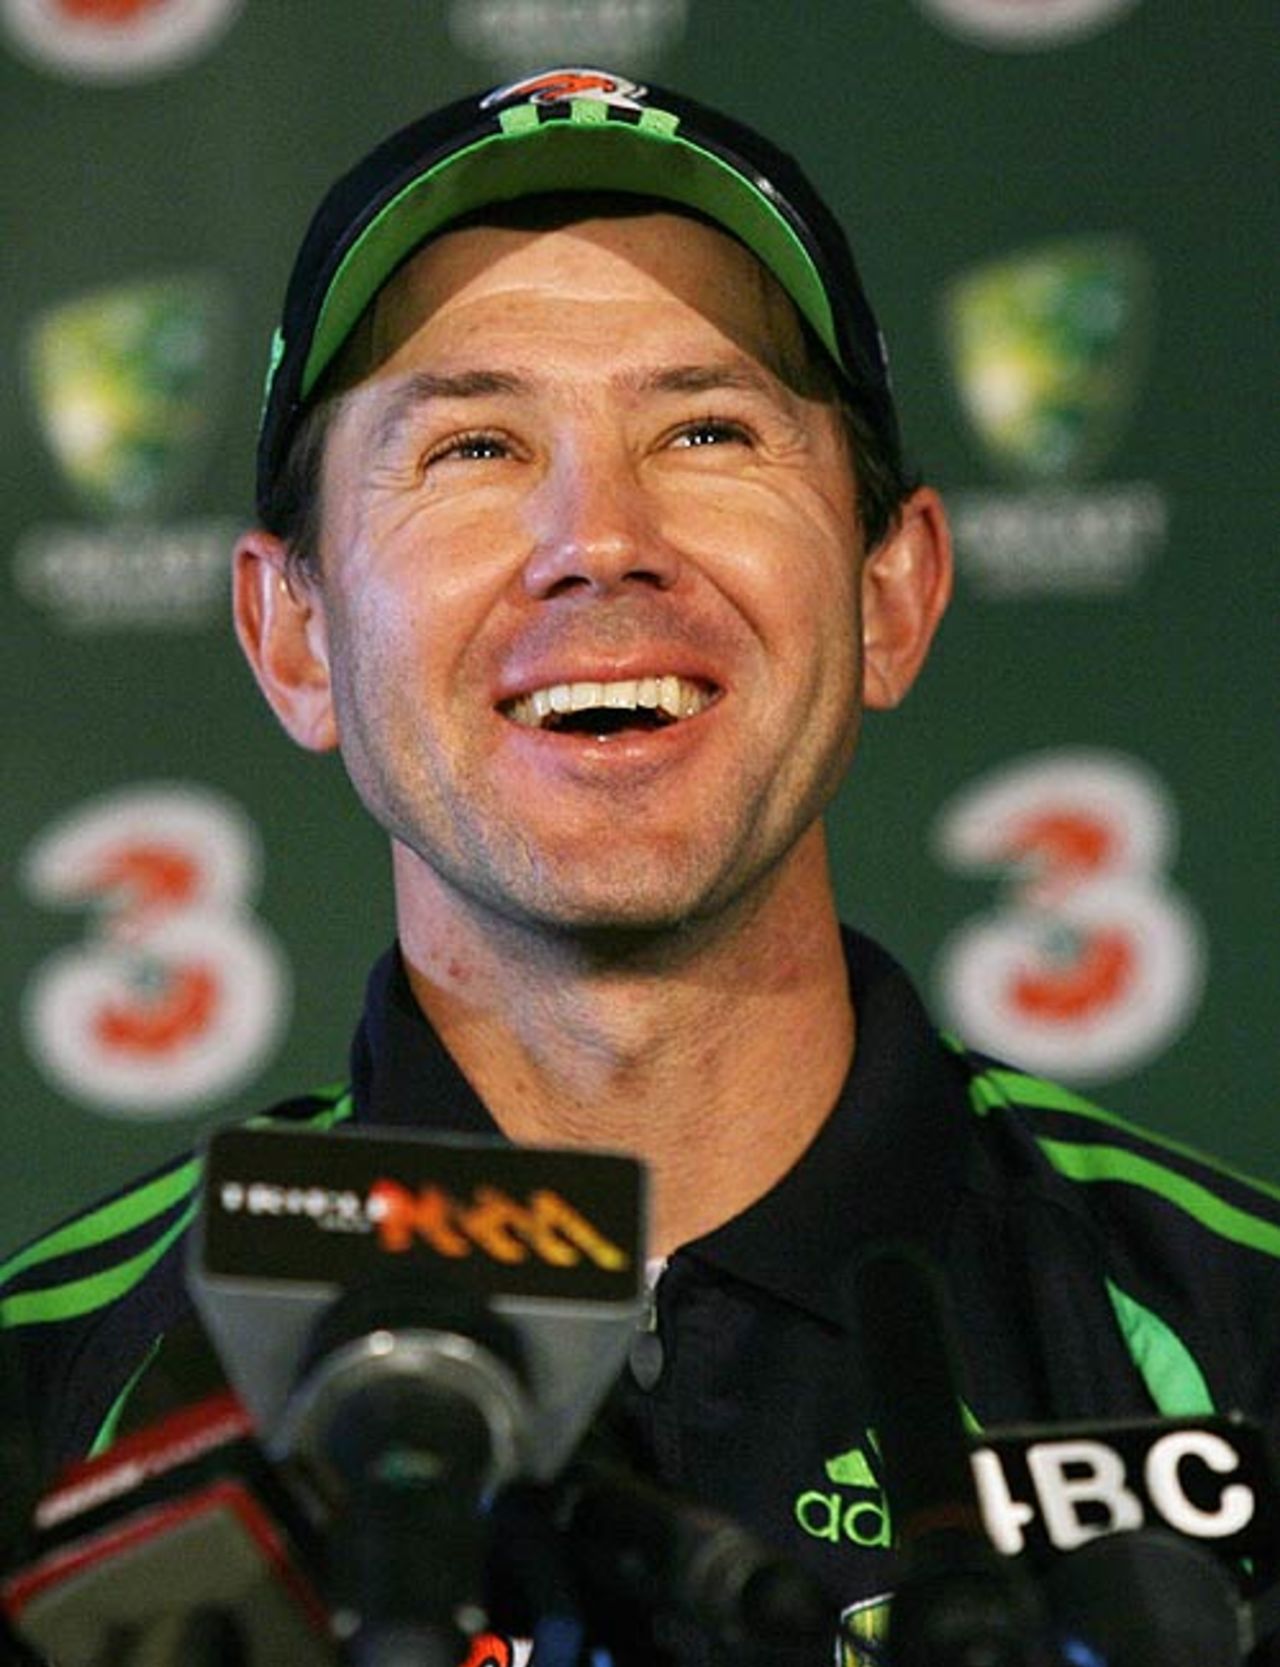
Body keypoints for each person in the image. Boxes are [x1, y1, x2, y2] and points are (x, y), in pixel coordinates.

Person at [3, 66, 1279, 1666]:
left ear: (894, 594)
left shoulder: (1237, 1345)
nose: (599, 535)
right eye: (471, 446)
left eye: (706, 426)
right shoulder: (46, 1410)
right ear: (295, 636)